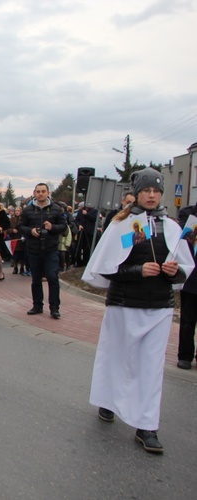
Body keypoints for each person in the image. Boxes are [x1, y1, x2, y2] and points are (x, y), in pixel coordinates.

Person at [83, 167, 193, 454]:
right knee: (116, 357)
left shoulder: (171, 227)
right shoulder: (124, 226)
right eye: (147, 190)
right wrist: (137, 270)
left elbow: (186, 269)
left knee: (150, 368)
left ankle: (146, 426)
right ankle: (107, 400)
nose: (152, 195)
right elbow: (107, 269)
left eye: (156, 191)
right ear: (137, 193)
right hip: (124, 305)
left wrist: (173, 271)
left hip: (159, 309)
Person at [17, 183, 67, 319]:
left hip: (50, 249)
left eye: (43, 191)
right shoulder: (27, 210)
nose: (40, 194)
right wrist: (30, 231)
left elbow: (64, 227)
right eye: (38, 191)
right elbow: (20, 226)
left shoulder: (56, 209)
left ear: (48, 193)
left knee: (52, 277)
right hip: (33, 249)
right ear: (34, 193)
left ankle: (54, 307)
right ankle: (37, 305)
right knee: (36, 279)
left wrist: (52, 227)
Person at [176, 202, 197, 370]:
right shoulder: (187, 213)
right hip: (192, 277)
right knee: (187, 320)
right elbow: (184, 235)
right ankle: (185, 355)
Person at [74, 202, 98, 267]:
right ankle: (78, 262)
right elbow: (76, 220)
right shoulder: (80, 211)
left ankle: (87, 261)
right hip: (82, 231)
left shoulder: (94, 211)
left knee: (88, 247)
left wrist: (87, 214)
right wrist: (79, 225)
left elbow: (94, 219)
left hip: (90, 232)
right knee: (79, 247)